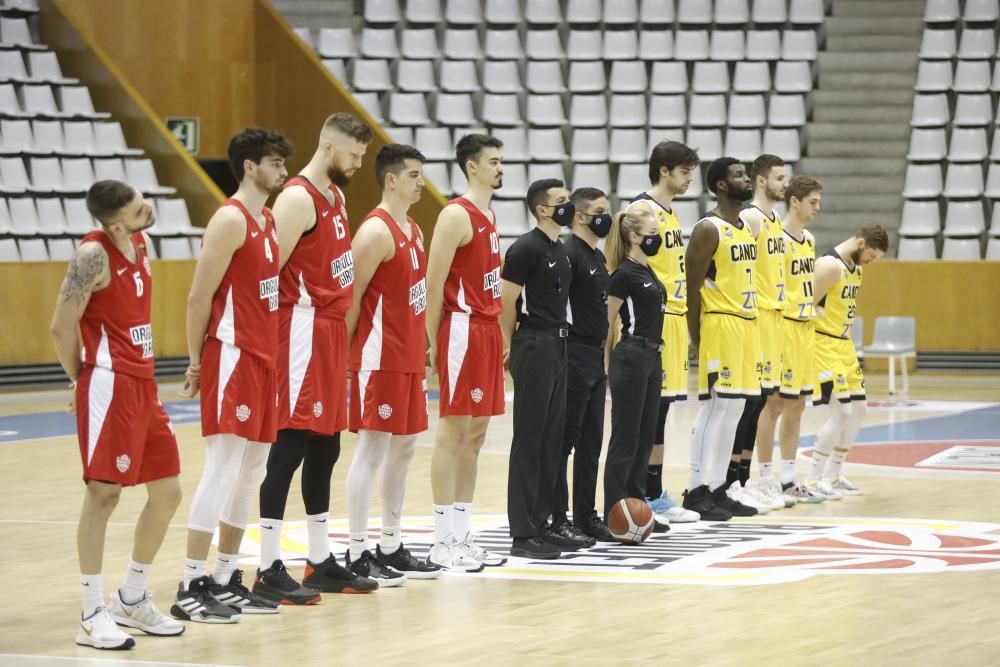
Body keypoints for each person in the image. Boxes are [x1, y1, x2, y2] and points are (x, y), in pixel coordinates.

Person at [52, 181, 184, 649]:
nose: (148, 210)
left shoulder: (140, 241)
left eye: (143, 200)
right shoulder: (93, 256)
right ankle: (91, 612)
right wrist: (81, 381)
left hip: (143, 383)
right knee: (103, 495)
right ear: (113, 224)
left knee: (168, 491)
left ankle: (131, 597)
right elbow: (61, 326)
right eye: (137, 209)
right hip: (108, 382)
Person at [254, 112, 377, 603]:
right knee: (290, 445)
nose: (358, 162)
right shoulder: (298, 198)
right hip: (299, 328)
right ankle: (266, 565)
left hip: (328, 331)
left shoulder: (337, 197)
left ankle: (321, 559)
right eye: (354, 154)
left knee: (326, 447)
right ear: (328, 146)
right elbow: (268, 274)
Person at [172, 127, 292, 622]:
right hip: (232, 354)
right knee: (223, 469)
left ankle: (225, 576)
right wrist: (197, 360)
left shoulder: (266, 219)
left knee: (253, 472)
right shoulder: (230, 219)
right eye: (276, 164)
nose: (284, 173)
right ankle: (190, 582)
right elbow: (199, 297)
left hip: (263, 357)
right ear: (249, 166)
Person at [343, 144, 442, 585]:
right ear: (391, 179)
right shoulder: (374, 232)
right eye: (415, 175)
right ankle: (357, 551)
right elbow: (351, 299)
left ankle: (390, 543)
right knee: (371, 452)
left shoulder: (413, 229)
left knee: (403, 450)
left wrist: (424, 342)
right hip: (377, 359)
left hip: (406, 359)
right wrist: (343, 359)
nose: (421, 182)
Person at [425, 133, 507, 571]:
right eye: (492, 161)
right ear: (471, 166)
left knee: (476, 436)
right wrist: (431, 340)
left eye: (500, 160)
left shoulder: (489, 214)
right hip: (460, 328)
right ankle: (441, 541)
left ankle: (462, 533)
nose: (499, 167)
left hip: (487, 329)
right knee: (453, 432)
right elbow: (432, 283)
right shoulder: (456, 215)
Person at [501, 178, 594, 559]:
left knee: (551, 439)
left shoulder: (560, 249)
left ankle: (543, 523)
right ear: (542, 208)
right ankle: (523, 532)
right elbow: (507, 302)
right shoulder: (524, 248)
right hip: (535, 342)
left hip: (559, 343)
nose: (568, 206)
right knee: (529, 439)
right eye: (561, 201)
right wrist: (510, 346)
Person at [682, 157, 761, 521]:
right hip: (719, 323)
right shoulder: (707, 228)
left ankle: (718, 487)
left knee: (737, 408)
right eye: (738, 175)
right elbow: (692, 289)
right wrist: (696, 338)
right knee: (715, 406)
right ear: (720, 185)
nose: (746, 178)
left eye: (746, 173)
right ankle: (696, 488)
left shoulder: (746, 227)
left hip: (747, 324)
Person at [630, 141, 701, 524]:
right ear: (664, 171)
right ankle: (639, 491)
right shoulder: (641, 210)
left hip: (674, 318)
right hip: (651, 321)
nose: (690, 177)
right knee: (648, 411)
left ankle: (654, 492)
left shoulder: (671, 214)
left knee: (663, 409)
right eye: (685, 170)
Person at [724, 154, 789, 513]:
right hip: (756, 317)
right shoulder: (750, 217)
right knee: (749, 404)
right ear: (761, 181)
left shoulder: (775, 218)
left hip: (774, 320)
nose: (784, 184)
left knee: (761, 400)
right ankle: (733, 480)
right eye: (779, 178)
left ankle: (746, 479)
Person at [756, 175, 826, 505]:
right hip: (782, 325)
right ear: (794, 201)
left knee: (798, 405)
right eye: (812, 201)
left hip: (804, 328)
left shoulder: (808, 239)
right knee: (775, 403)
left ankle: (788, 479)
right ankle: (766, 478)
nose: (817, 207)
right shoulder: (777, 238)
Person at [806, 225, 889, 496]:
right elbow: (804, 308)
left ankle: (834, 474)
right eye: (872, 256)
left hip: (845, 345)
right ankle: (812, 478)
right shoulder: (829, 266)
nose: (871, 262)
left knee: (860, 409)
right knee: (841, 411)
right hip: (823, 342)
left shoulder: (857, 269)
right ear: (862, 242)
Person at [552, 187, 615, 544]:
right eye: (598, 211)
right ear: (579, 215)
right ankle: (558, 516)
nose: (604, 217)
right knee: (566, 442)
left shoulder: (598, 256)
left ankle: (586, 515)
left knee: (592, 443)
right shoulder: (568, 253)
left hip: (595, 357)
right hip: (573, 355)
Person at [602, 200, 670, 529]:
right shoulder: (623, 274)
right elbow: (607, 323)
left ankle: (637, 509)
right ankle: (615, 512)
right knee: (625, 439)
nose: (658, 239)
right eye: (652, 233)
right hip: (631, 355)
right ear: (633, 236)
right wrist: (603, 367)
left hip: (652, 357)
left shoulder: (648, 271)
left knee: (645, 438)